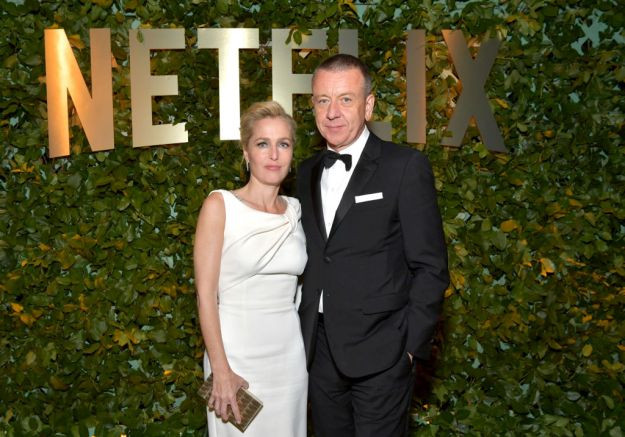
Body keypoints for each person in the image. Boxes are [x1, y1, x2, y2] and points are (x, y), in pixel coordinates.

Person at [296, 54, 449, 437]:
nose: (332, 112)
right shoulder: (304, 172)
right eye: (323, 100)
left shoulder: (404, 166)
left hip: (383, 352)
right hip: (318, 353)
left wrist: (409, 349)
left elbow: (430, 266)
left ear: (368, 105)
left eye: (345, 99)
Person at [194, 101, 308, 437]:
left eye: (283, 144)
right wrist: (220, 369)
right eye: (262, 144)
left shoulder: (296, 211)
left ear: (292, 153)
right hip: (234, 360)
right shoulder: (220, 205)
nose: (273, 154)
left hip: (289, 360)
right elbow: (205, 296)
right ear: (246, 152)